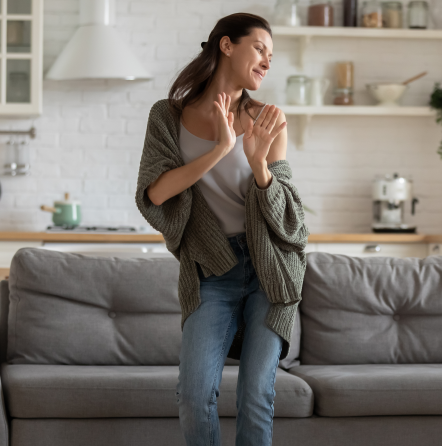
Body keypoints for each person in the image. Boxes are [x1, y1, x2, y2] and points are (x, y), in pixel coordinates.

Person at [134, 13, 308, 446]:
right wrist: (220, 151)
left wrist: (259, 165)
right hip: (210, 272)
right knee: (194, 395)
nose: (267, 60)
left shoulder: (269, 120)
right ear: (227, 45)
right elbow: (155, 194)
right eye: (260, 48)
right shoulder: (168, 116)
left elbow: (291, 219)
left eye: (272, 54)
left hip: (269, 269)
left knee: (256, 397)